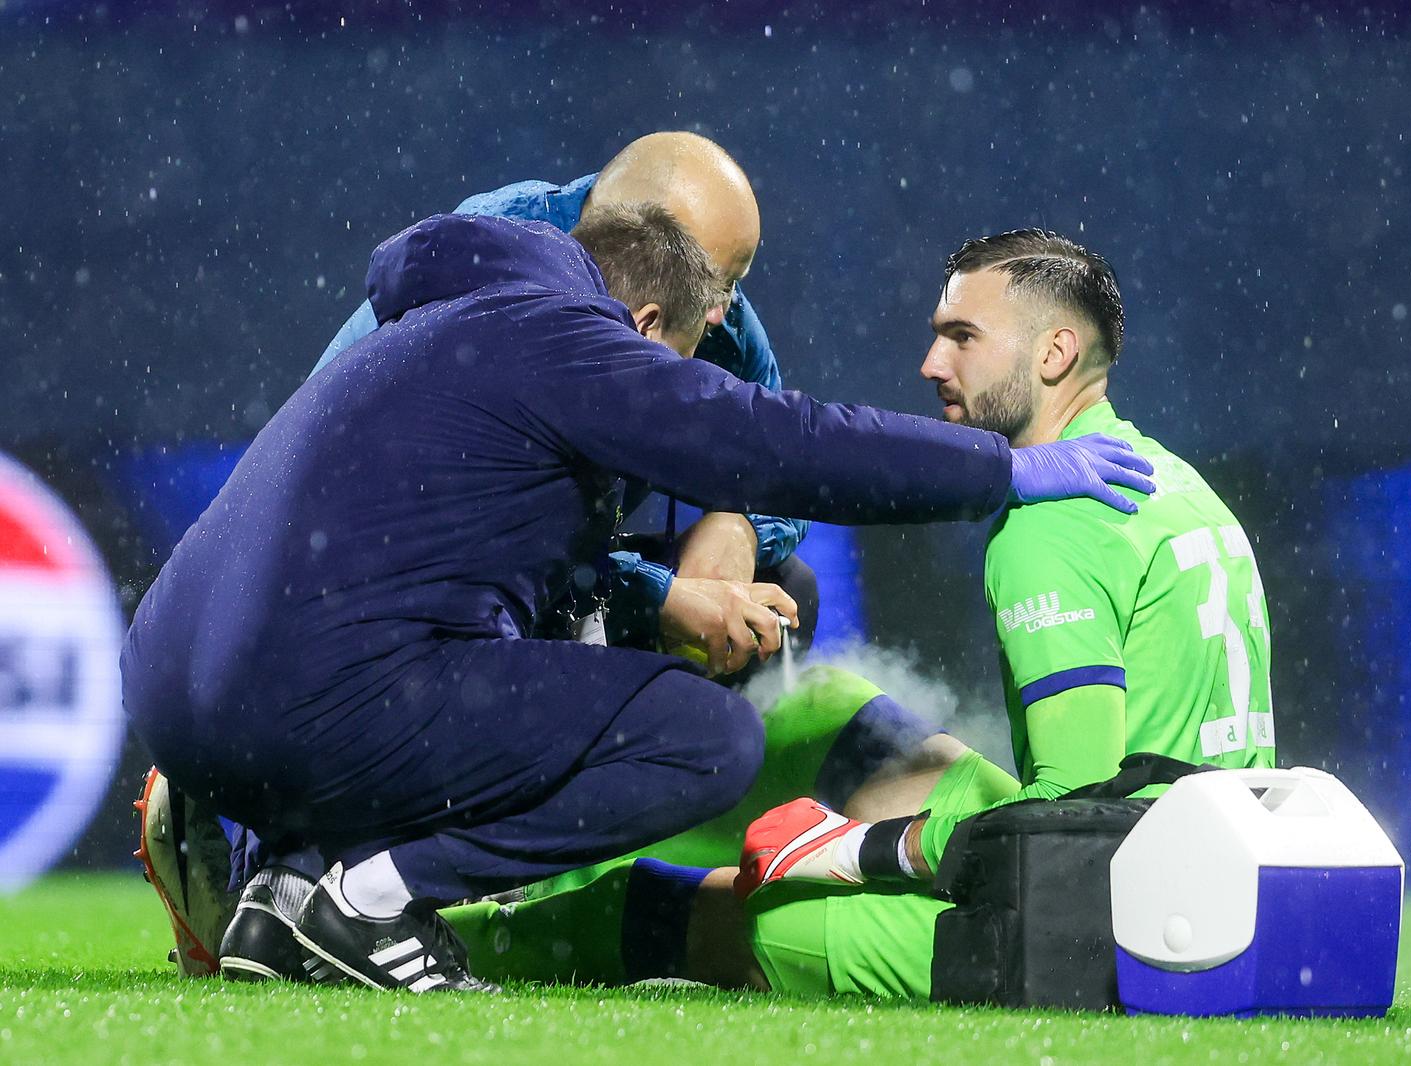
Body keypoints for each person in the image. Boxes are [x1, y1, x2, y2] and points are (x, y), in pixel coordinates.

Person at [122, 211, 1156, 993]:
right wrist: (998, 471)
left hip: (178, 703)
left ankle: (283, 889)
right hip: (316, 698)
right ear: (644, 323)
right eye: (686, 364)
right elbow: (776, 443)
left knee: (535, 631)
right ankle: (370, 900)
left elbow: (448, 564)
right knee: (700, 736)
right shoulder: (570, 340)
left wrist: (653, 591)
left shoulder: (430, 332)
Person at [447, 228, 1276, 1000]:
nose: (929, 361)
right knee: (821, 711)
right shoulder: (1173, 485)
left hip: (1106, 932)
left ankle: (459, 938)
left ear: (1055, 352)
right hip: (1204, 886)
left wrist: (851, 850)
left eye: (962, 336)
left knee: (716, 915)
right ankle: (533, 864)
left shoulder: (1051, 528)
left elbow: (1072, 821)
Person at [317, 130, 813, 656]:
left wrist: (740, 529)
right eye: (710, 281)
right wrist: (662, 597)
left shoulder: (721, 319)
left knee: (783, 588)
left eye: (731, 283)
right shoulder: (484, 271)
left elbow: (791, 466)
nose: (719, 313)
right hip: (424, 593)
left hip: (574, 575)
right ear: (642, 245)